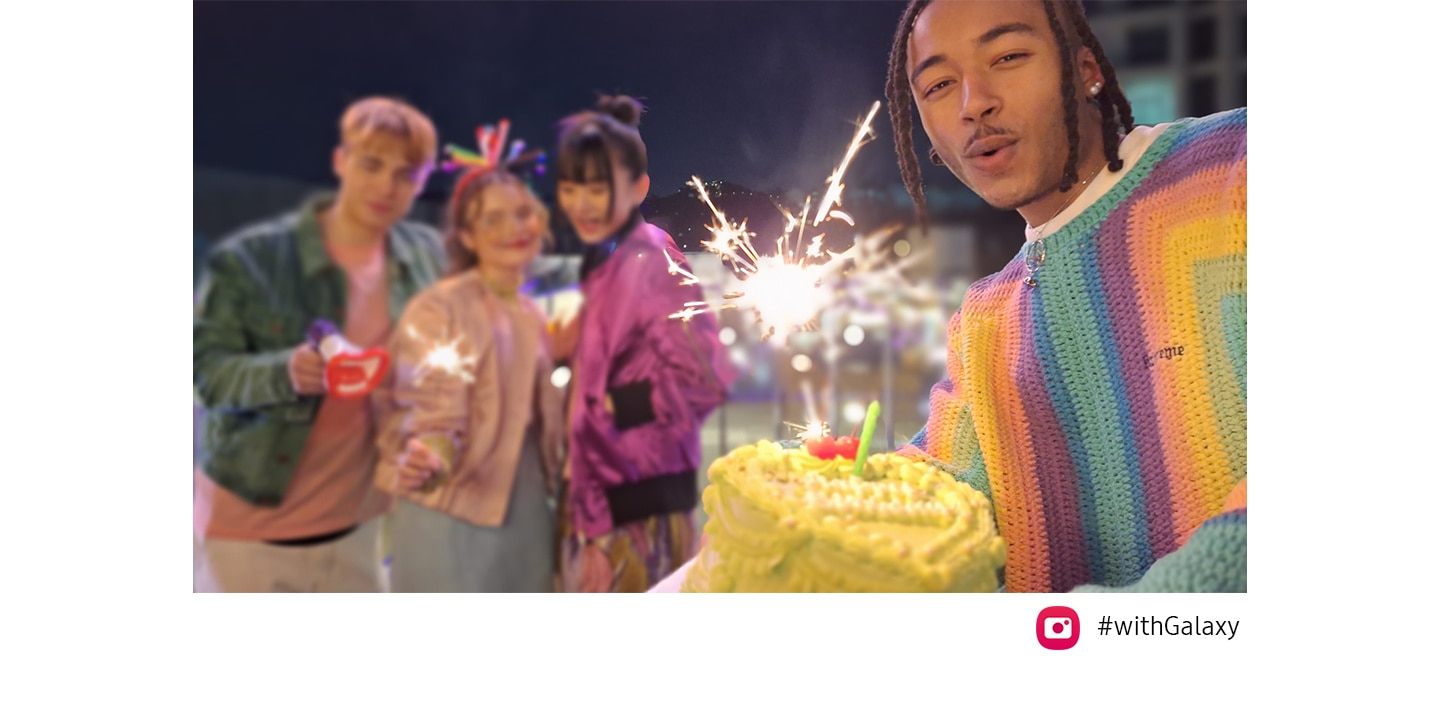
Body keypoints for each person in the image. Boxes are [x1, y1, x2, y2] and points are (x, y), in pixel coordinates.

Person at [885, 0, 1246, 592]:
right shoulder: (985, 318)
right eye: (941, 84)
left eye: (1007, 57)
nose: (974, 103)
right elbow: (948, 484)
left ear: (1086, 70)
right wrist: (822, 498)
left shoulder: (1238, 164)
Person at [193, 96, 447, 592]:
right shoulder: (253, 258)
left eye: (406, 174)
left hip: (361, 530)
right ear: (341, 160)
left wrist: (425, 438)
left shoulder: (422, 258)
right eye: (372, 164)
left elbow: (429, 373)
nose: (386, 187)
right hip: (250, 537)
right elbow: (206, 373)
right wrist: (284, 372)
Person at [549, 95, 737, 592]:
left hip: (631, 503)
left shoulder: (648, 251)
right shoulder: (609, 262)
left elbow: (697, 379)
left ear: (639, 187)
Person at [373, 136, 565, 593]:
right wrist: (431, 455)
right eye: (492, 219)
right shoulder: (440, 307)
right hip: (454, 508)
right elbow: (434, 400)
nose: (513, 229)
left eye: (521, 214)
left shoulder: (532, 314)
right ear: (466, 235)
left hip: (527, 511)